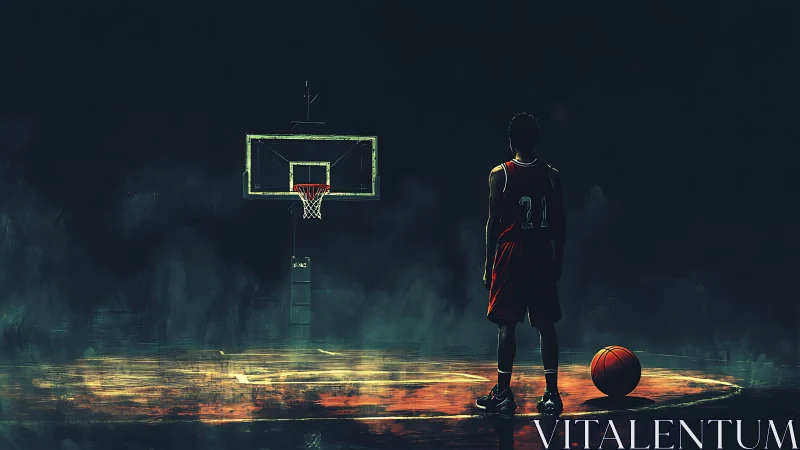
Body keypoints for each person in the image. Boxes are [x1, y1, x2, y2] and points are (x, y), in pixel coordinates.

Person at [476, 112, 566, 416]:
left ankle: (504, 394)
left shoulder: (500, 174)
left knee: (506, 323)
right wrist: (558, 259)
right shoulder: (552, 174)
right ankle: (551, 394)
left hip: (512, 251)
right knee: (545, 324)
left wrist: (488, 265)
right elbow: (560, 224)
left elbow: (492, 224)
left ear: (511, 140)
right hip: (541, 251)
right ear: (535, 139)